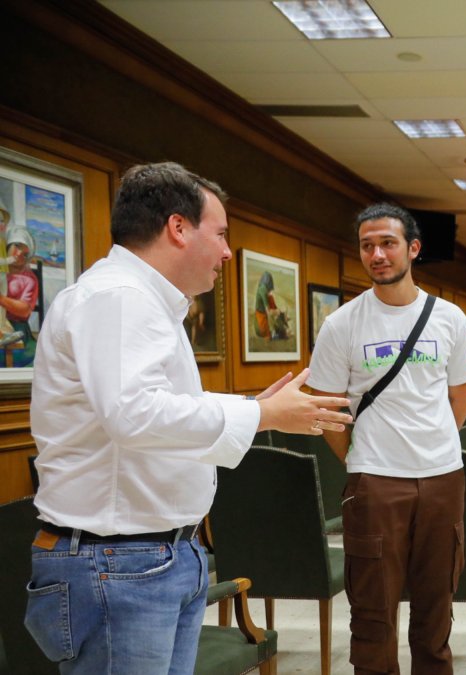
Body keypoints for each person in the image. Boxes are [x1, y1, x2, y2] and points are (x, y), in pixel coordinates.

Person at [25, 161, 353, 674]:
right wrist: (261, 413)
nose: (226, 251)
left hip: (153, 556)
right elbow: (134, 416)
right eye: (221, 234)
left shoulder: (147, 302)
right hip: (120, 562)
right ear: (178, 227)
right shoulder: (119, 298)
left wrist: (250, 409)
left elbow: (154, 414)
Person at [308, 203, 466, 675]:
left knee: (435, 609)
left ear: (413, 248)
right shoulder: (342, 324)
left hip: (443, 479)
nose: (377, 254)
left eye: (387, 243)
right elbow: (326, 408)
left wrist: (433, 444)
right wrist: (363, 459)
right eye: (367, 245)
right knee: (372, 615)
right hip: (375, 483)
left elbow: (459, 398)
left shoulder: (449, 318)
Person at [1, 226, 39, 366]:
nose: (18, 254)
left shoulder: (29, 279)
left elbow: (24, 311)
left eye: (24, 254)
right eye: (16, 247)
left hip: (17, 330)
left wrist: (2, 300)